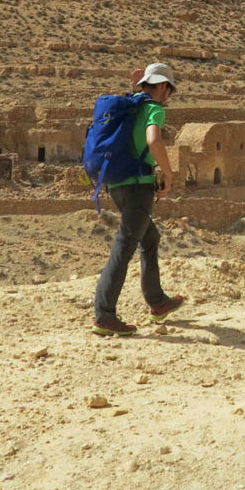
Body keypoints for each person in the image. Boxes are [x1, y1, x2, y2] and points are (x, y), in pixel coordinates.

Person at [92, 63, 185, 336]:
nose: (168, 95)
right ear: (163, 87)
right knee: (125, 246)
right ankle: (104, 315)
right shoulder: (153, 108)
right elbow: (153, 141)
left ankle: (158, 302)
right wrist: (168, 174)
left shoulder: (131, 104)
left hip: (117, 184)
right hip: (139, 186)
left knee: (150, 238)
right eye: (168, 89)